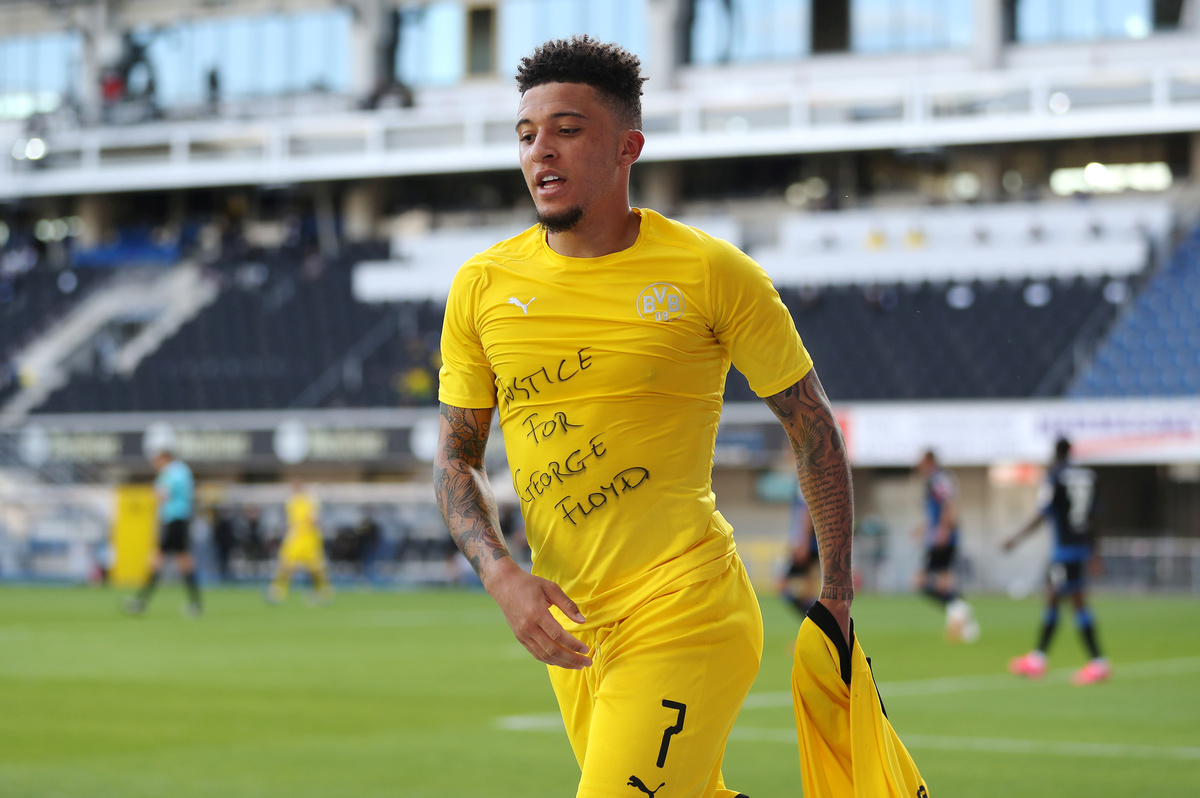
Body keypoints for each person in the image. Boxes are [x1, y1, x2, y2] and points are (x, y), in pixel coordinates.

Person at [434, 36, 924, 797]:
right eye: (526, 135)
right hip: (576, 630)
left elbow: (813, 427)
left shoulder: (710, 272)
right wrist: (501, 576)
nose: (541, 151)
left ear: (627, 147)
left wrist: (837, 592)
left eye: (567, 129)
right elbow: (456, 457)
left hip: (688, 607)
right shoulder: (481, 286)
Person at [1004, 437, 1110, 685]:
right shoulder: (1088, 476)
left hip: (1064, 551)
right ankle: (1040, 658)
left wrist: (1016, 539)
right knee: (1058, 597)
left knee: (1071, 600)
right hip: (1081, 548)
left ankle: (1096, 662)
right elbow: (1095, 517)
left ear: (1055, 453)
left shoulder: (1054, 476)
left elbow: (1042, 513)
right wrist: (1095, 552)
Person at [125, 447, 202, 617]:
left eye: (156, 461)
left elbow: (162, 494)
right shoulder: (184, 470)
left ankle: (141, 600)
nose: (155, 465)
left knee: (158, 559)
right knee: (183, 560)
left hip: (173, 520)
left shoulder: (170, 472)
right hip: (183, 519)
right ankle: (195, 602)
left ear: (164, 458)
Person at [915, 449, 978, 642]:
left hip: (942, 538)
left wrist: (943, 529)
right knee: (943, 582)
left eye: (921, 462)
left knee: (921, 583)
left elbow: (949, 504)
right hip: (941, 536)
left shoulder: (938, 478)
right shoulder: (938, 478)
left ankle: (958, 607)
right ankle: (960, 621)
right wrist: (924, 528)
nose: (919, 466)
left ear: (929, 461)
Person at [267, 482, 333, 604]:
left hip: (309, 539)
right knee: (286, 566)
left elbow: (315, 520)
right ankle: (277, 592)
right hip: (295, 539)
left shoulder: (310, 501)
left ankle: (324, 592)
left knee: (316, 568)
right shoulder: (292, 502)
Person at [778, 489, 820, 618]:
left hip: (807, 545)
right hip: (810, 544)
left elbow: (807, 512)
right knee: (809, 587)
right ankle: (812, 620)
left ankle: (812, 619)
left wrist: (803, 542)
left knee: (782, 585)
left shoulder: (804, 485)